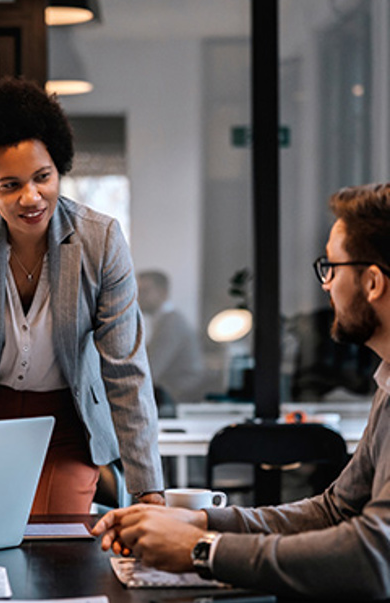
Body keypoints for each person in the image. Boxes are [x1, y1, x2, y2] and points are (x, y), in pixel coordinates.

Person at [92, 182, 390, 599]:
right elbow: (334, 510)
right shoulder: (387, 382)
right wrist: (203, 523)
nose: (325, 285)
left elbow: (373, 555)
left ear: (373, 283)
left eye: (332, 268)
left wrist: (201, 550)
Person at [0, 75, 164, 513]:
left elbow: (125, 369)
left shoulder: (101, 241)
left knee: (55, 538)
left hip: (67, 419)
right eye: (10, 185)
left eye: (43, 177)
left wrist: (147, 488)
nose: (32, 197)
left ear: (59, 167)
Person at [136, 270, 205, 403]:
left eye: (145, 291)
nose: (139, 297)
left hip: (179, 396)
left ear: (162, 293)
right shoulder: (163, 321)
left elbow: (151, 371)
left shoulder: (171, 324)